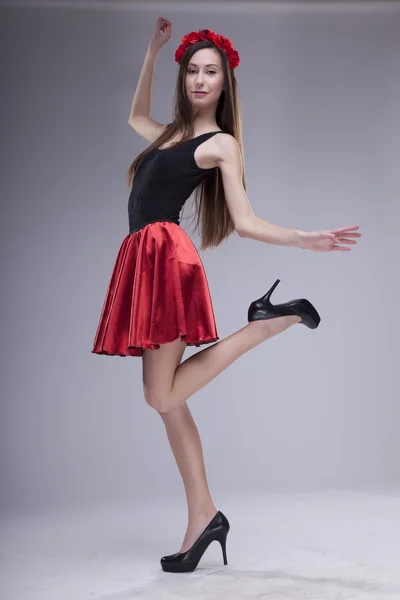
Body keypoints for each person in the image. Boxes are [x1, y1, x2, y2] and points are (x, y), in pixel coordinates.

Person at [91, 18, 361, 573]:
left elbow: (245, 221)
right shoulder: (168, 134)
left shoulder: (220, 144)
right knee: (171, 403)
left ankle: (269, 323)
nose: (199, 79)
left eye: (210, 71)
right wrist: (152, 50)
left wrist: (303, 239)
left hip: (165, 258)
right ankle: (203, 518)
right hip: (143, 258)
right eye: (192, 70)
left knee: (159, 397)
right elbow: (133, 116)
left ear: (224, 82)